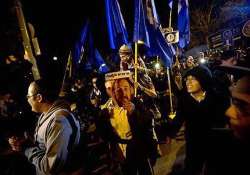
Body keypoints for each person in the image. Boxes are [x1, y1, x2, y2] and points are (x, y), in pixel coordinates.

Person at [8, 79, 81, 174]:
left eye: (28, 96)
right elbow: (43, 147)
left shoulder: (58, 121)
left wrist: (26, 149)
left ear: (39, 98)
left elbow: (50, 167)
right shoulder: (45, 115)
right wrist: (25, 142)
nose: (27, 99)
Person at [170, 65, 229, 175]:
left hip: (214, 142)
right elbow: (178, 119)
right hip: (193, 142)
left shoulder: (216, 97)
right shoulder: (184, 100)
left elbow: (224, 119)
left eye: (193, 79)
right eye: (187, 79)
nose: (188, 82)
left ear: (203, 80)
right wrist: (169, 129)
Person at [98, 72, 158, 175]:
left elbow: (148, 123)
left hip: (140, 149)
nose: (123, 93)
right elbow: (104, 134)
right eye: (118, 90)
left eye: (125, 88)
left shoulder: (137, 103)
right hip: (121, 152)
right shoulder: (106, 110)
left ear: (131, 89)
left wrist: (134, 112)